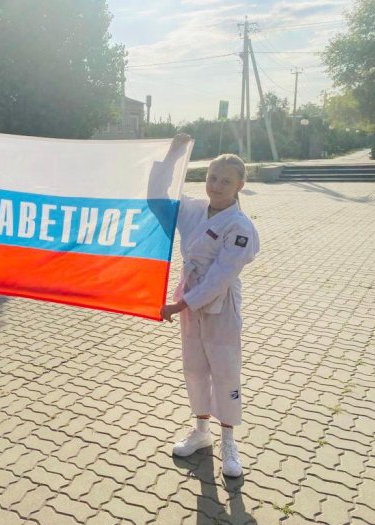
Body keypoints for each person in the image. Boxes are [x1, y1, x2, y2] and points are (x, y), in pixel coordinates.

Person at [161, 151, 259, 478]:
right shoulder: (193, 209)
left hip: (220, 305)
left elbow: (220, 277)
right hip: (189, 299)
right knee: (194, 367)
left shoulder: (240, 226)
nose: (216, 186)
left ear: (240, 186)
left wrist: (180, 304)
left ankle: (228, 441)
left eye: (225, 181)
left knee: (225, 370)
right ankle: (201, 432)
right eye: (212, 178)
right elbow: (160, 195)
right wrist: (171, 157)